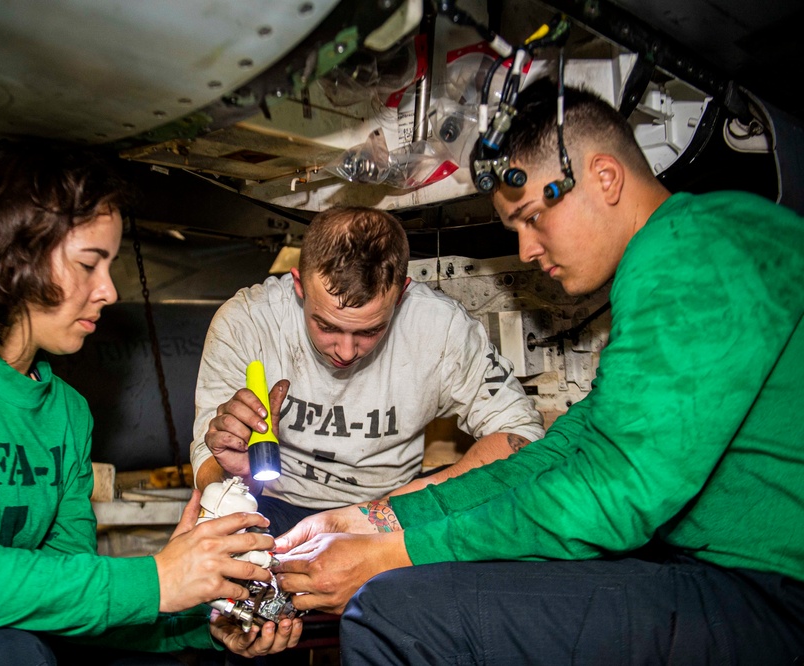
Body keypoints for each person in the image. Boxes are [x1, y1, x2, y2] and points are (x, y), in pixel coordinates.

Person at [272, 79, 804, 664]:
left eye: (531, 217)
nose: (526, 250)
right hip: (731, 577)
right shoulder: (694, 243)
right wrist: (373, 519)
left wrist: (392, 556)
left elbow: (613, 493)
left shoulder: (692, 251)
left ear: (604, 178)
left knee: (394, 613)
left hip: (773, 595)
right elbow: (563, 452)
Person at [0, 138, 301, 666]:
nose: (109, 291)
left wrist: (204, 618)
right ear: (14, 255)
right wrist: (155, 579)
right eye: (90, 264)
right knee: (1, 652)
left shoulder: (66, 412)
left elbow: (68, 601)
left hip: (5, 643)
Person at [190, 206, 545, 537]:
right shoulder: (247, 323)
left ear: (401, 295)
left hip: (395, 505)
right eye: (326, 325)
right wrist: (236, 475)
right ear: (299, 286)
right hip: (275, 501)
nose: (346, 352)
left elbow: (523, 437)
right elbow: (209, 465)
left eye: (370, 331)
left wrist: (378, 516)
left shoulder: (441, 328)